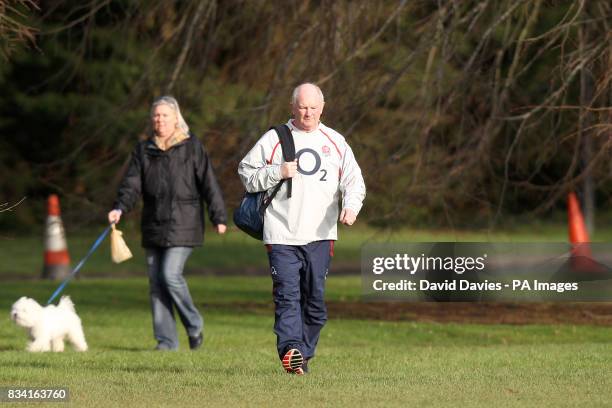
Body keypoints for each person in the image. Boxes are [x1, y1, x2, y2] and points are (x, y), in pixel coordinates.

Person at [238, 83, 366, 374]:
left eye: (313, 107)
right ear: (292, 107)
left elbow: (354, 181)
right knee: (287, 296)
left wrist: (351, 207)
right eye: (302, 107)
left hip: (321, 236)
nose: (307, 113)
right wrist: (277, 172)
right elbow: (246, 173)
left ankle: (302, 355)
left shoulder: (335, 141)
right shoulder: (274, 139)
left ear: (322, 108)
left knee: (315, 303)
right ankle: (291, 349)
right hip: (281, 233)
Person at [108, 96, 227, 351]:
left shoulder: (191, 146)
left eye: (164, 116)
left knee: (170, 275)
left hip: (184, 223)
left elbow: (208, 181)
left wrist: (219, 216)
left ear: (176, 118)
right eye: (156, 116)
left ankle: (194, 325)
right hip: (153, 224)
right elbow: (132, 185)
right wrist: (120, 208)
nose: (159, 120)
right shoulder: (144, 149)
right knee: (156, 282)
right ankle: (166, 342)